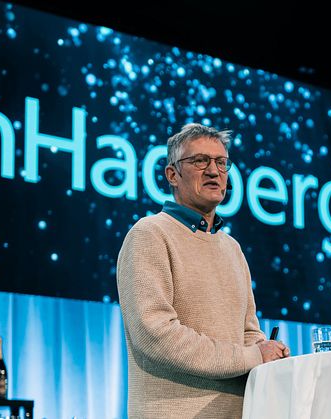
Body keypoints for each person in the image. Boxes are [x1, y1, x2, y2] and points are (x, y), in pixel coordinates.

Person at [116, 123, 290, 418]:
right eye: (199, 161)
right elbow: (155, 335)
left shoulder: (232, 247)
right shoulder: (149, 234)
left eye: (221, 162)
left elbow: (248, 330)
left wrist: (267, 349)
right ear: (172, 174)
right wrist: (251, 356)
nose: (213, 171)